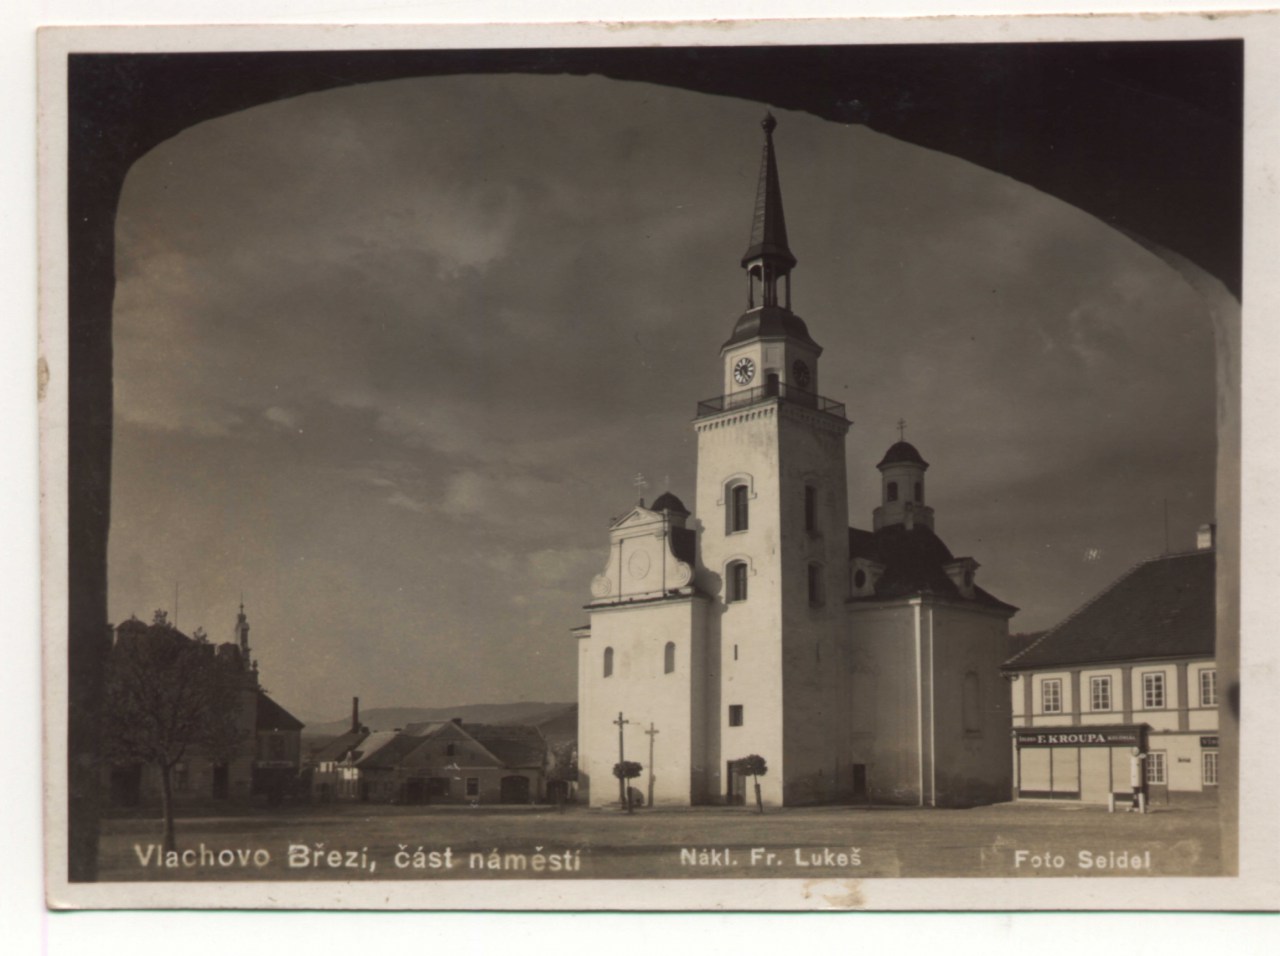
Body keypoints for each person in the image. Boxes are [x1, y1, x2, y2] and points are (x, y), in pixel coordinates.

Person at [1128, 748, 1147, 812]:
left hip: (1138, 780)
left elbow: (1144, 755)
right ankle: (1135, 804)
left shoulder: (1139, 758)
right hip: (1134, 781)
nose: (1135, 752)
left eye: (1136, 751)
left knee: (1138, 793)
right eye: (1134, 751)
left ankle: (1138, 804)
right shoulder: (1132, 758)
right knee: (1135, 793)